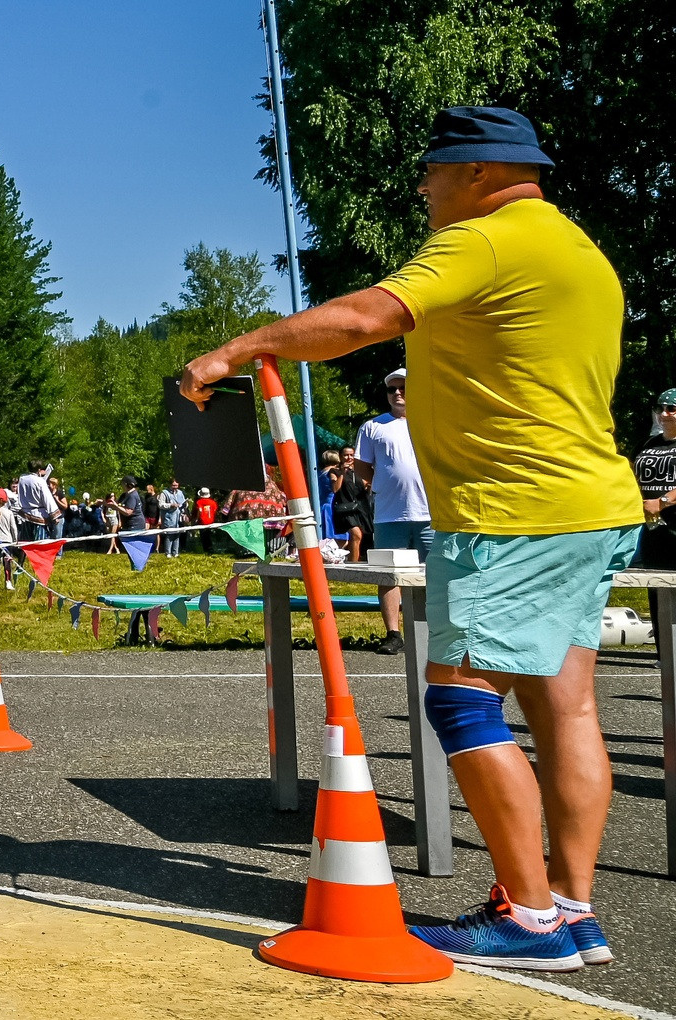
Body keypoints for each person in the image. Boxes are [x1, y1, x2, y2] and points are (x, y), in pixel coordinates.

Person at [179, 106, 638, 972]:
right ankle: (574, 910)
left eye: (431, 172)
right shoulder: (581, 250)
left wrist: (236, 350)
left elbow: (364, 319)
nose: (424, 190)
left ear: (475, 171)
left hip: (514, 512)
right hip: (592, 504)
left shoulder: (488, 239)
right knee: (565, 706)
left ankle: (528, 919)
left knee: (462, 699)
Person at [354, 368, 426, 655]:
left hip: (430, 514)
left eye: (403, 388)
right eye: (392, 389)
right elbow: (362, 465)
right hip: (388, 514)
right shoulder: (373, 427)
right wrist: (379, 483)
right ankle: (393, 633)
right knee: (388, 575)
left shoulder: (429, 421)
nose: (397, 393)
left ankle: (432, 632)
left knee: (432, 574)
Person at [632, 389, 676, 570]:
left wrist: (662, 502)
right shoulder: (645, 444)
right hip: (652, 530)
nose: (664, 413)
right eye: (660, 408)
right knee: (657, 587)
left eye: (671, 408)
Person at [157, 479, 187, 555]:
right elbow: (160, 504)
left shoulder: (180, 493)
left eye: (176, 485)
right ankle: (168, 553)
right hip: (168, 517)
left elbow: (182, 503)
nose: (175, 487)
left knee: (177, 535)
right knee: (169, 535)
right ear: (170, 485)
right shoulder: (164, 493)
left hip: (178, 517)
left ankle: (175, 552)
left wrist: (185, 505)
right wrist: (170, 505)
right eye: (173, 485)